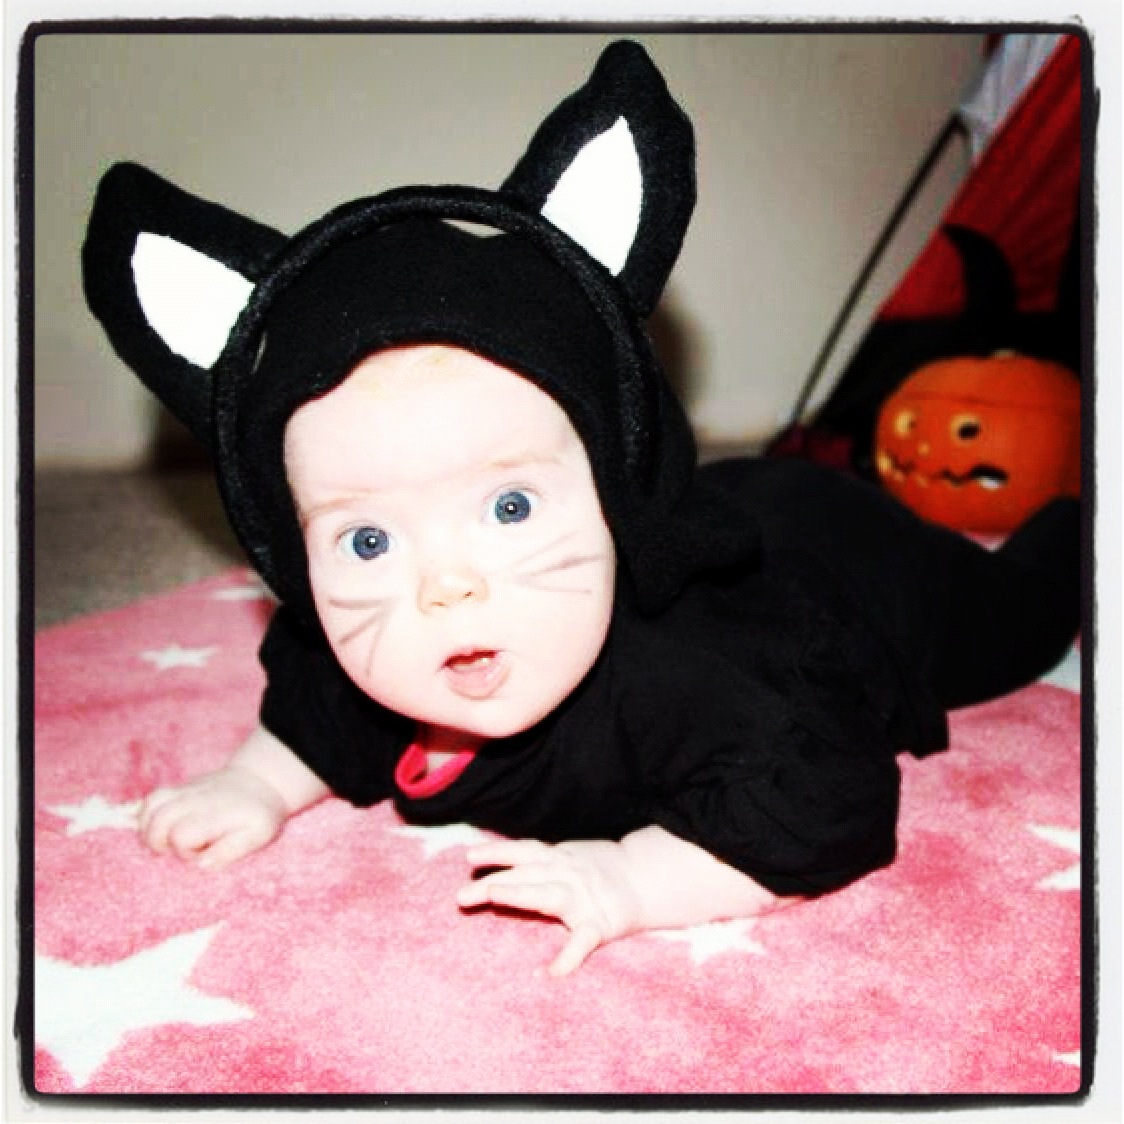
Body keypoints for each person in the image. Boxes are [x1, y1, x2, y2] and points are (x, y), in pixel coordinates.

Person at [82, 41, 1080, 976]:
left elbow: (829, 801)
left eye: (511, 504)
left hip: (840, 557)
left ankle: (1074, 525)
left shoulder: (702, 681)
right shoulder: (354, 655)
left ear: (611, 492)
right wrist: (255, 783)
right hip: (750, 500)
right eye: (369, 538)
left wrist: (630, 879)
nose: (444, 584)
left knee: (1019, 615)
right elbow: (314, 721)